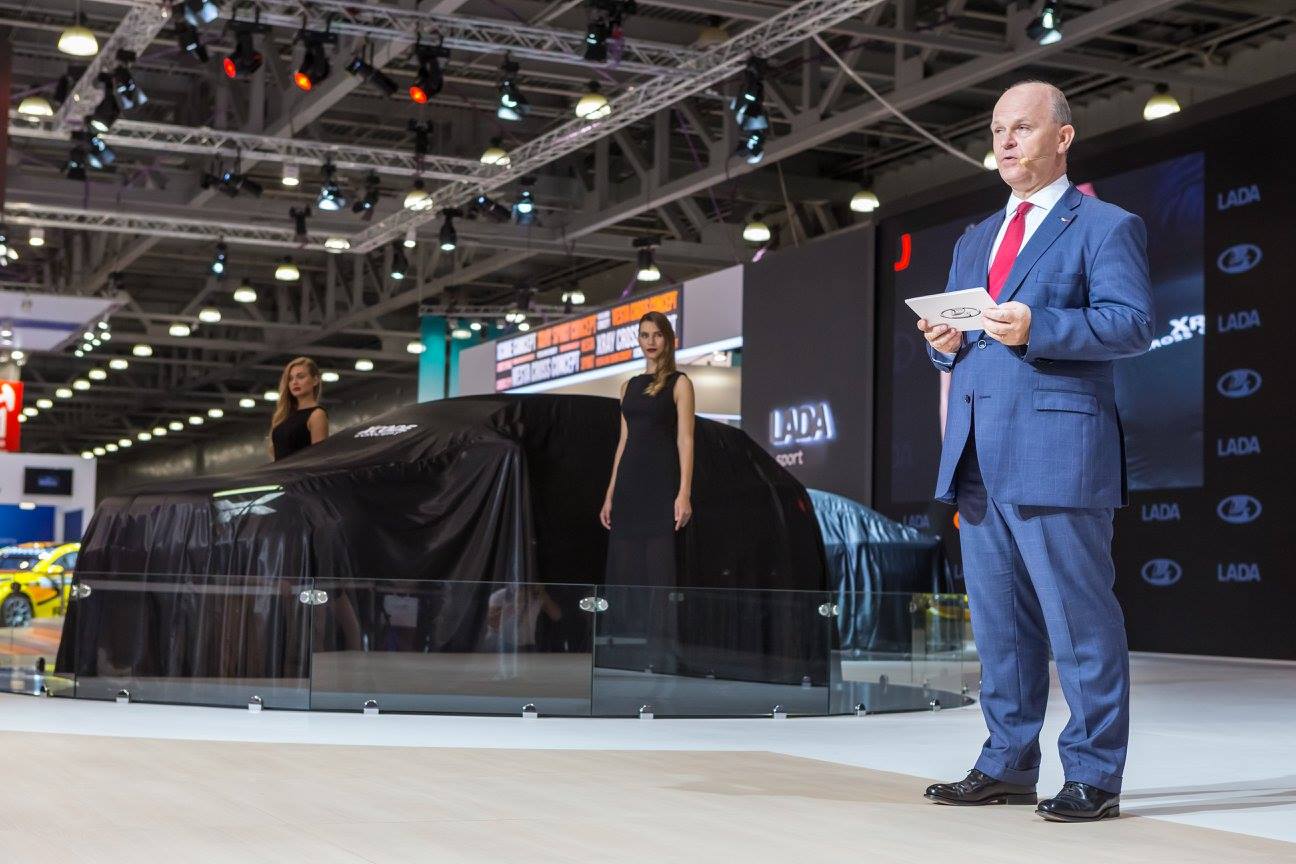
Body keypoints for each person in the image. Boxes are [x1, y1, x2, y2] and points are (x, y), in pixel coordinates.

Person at [916, 80, 1153, 822]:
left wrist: (1038, 325)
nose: (1006, 141)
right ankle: (1007, 763)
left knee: (1080, 624)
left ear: (1063, 137)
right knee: (1001, 629)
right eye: (997, 130)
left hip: (1058, 452)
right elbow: (960, 349)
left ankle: (1094, 774)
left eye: (1022, 127)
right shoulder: (975, 238)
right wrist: (943, 344)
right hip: (977, 455)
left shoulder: (1106, 226)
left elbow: (1131, 324)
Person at [601, 311, 696, 586]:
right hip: (628, 485)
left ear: (668, 339)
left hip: (661, 484)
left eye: (657, 335)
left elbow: (686, 440)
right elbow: (623, 442)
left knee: (659, 568)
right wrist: (610, 494)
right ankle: (624, 618)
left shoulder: (680, 383)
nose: (651, 341)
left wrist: (684, 493)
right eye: (644, 335)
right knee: (624, 568)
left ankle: (658, 619)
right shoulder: (628, 387)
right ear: (639, 340)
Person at [270, 356, 329, 461]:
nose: (294, 382)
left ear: (315, 380)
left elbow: (319, 459)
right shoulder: (284, 415)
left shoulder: (317, 415)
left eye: (300, 377)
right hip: (280, 470)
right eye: (290, 379)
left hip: (302, 470)